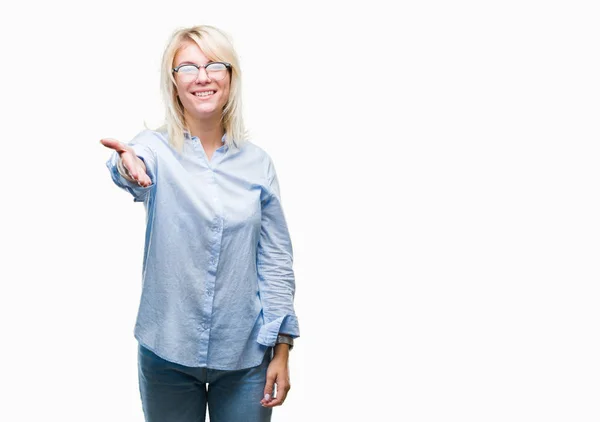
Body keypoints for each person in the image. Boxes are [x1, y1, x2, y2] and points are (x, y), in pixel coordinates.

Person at [100, 24, 299, 422]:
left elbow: (275, 261)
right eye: (187, 68)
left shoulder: (258, 163)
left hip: (245, 355)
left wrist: (282, 348)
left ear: (231, 77)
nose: (202, 77)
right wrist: (126, 166)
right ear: (173, 84)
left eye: (214, 65)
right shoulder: (153, 148)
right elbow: (132, 166)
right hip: (166, 350)